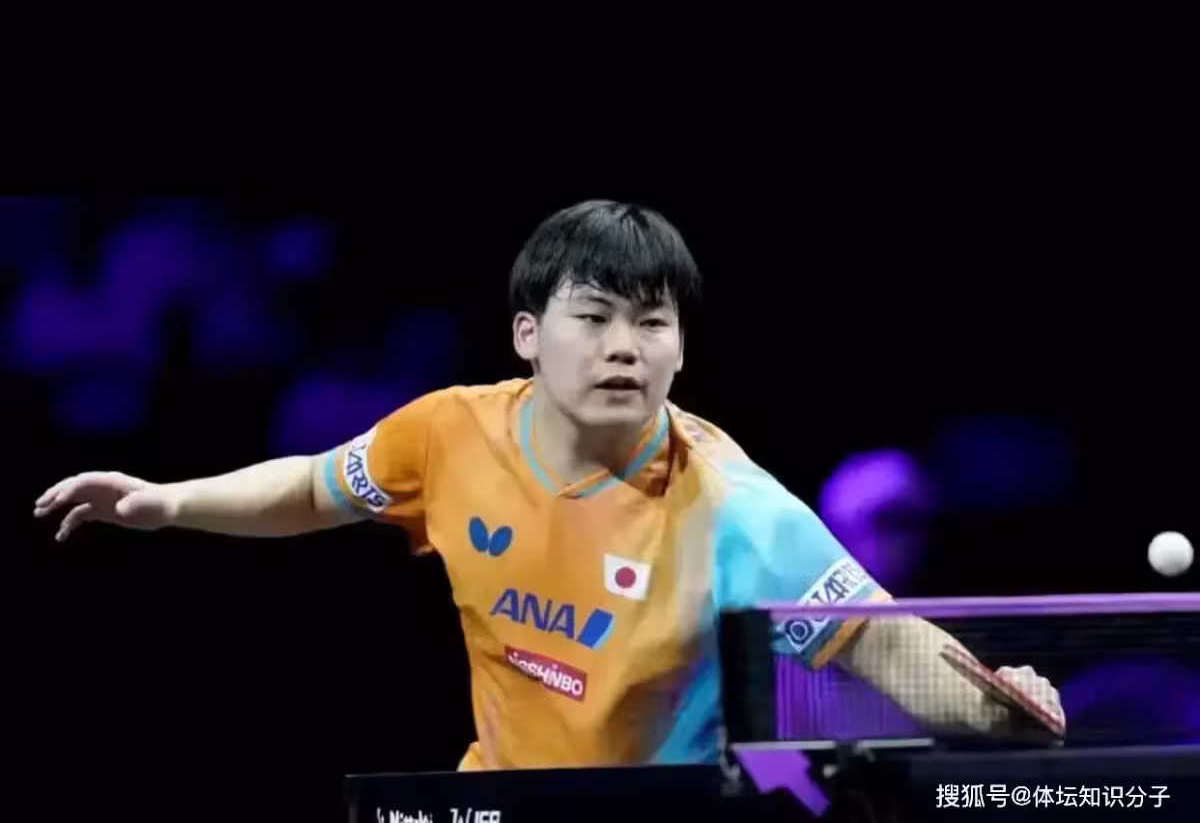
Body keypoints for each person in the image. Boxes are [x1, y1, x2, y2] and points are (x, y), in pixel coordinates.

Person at [34, 200, 1063, 770]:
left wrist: (1000, 706)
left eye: (652, 323)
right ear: (528, 334)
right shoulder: (446, 432)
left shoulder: (736, 508)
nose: (625, 346)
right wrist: (166, 502)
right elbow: (312, 486)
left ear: (681, 349)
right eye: (596, 316)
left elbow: (888, 643)